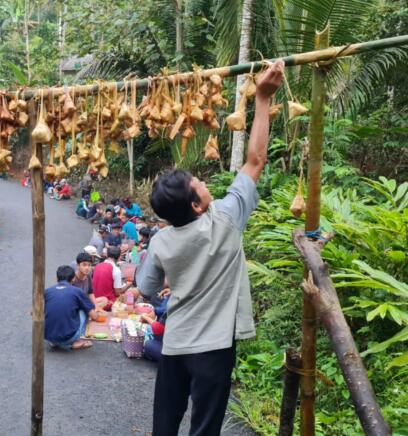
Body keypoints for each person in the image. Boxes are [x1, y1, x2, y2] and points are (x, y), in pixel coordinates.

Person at [136, 60, 284, 436]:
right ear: (197, 205)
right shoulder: (226, 219)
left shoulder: (161, 240)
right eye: (198, 182)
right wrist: (263, 99)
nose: (203, 180)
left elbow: (147, 288)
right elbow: (255, 161)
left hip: (177, 342)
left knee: (164, 425)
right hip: (214, 348)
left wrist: (173, 281)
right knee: (205, 428)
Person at [44, 265, 100, 350]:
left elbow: (33, 312)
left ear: (56, 278)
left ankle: (55, 341)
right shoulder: (77, 291)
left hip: (49, 336)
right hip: (69, 337)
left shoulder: (47, 291)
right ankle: (76, 340)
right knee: (84, 310)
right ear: (73, 279)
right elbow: (94, 316)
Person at [92, 246, 131, 310]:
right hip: (107, 303)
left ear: (107, 255)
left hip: (95, 300)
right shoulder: (115, 270)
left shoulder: (97, 266)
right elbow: (118, 293)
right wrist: (128, 284)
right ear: (119, 257)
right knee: (131, 293)